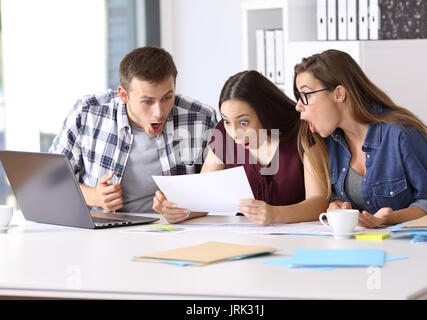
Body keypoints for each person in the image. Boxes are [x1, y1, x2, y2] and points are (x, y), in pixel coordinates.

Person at [294, 49, 427, 228]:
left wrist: (390, 218)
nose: (299, 106)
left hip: (409, 246)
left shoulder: (403, 135)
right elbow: (341, 198)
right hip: (360, 246)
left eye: (306, 95)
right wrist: (337, 205)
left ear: (339, 94)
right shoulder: (332, 142)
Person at [49, 46, 217, 213]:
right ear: (123, 95)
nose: (159, 112)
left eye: (167, 97)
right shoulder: (87, 113)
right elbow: (50, 180)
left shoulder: (201, 118)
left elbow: (216, 190)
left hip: (177, 232)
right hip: (104, 232)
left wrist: (185, 209)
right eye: (147, 101)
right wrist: (95, 196)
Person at [153, 70, 329, 225]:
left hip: (297, 240)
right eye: (227, 121)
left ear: (266, 113)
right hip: (243, 242)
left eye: (243, 122)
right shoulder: (224, 134)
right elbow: (203, 199)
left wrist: (276, 214)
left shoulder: (302, 131)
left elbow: (318, 202)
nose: (234, 132)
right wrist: (178, 211)